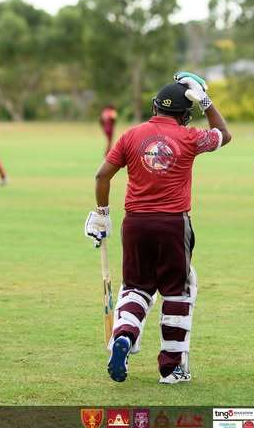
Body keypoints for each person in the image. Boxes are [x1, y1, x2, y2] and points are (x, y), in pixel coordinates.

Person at [84, 72, 231, 385]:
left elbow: (102, 176)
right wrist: (205, 101)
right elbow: (223, 134)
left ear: (155, 107)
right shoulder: (190, 137)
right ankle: (171, 368)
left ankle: (124, 336)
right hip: (173, 224)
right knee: (177, 292)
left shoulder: (130, 135)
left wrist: (103, 214)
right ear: (184, 114)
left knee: (136, 287)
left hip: (135, 223)